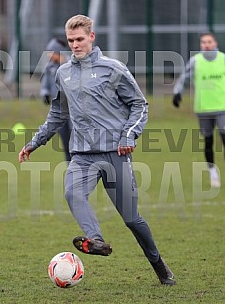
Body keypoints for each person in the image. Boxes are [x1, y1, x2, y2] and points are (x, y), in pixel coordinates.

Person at [19, 15, 176, 286]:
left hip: (116, 153)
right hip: (82, 154)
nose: (75, 45)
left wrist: (129, 136)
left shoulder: (113, 69)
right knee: (72, 192)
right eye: (70, 41)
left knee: (131, 219)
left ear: (92, 37)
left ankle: (159, 265)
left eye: (80, 39)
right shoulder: (63, 73)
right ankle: (96, 240)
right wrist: (35, 141)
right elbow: (57, 114)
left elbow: (140, 105)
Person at [173, 32, 225, 188]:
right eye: (203, 42)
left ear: (215, 42)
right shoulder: (196, 61)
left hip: (222, 107)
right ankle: (213, 173)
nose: (206, 44)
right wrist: (177, 92)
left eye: (209, 41)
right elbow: (184, 77)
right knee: (208, 141)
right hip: (203, 108)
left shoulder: (223, 59)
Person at [40, 38, 71, 162]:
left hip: (72, 110)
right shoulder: (50, 67)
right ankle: (70, 166)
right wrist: (45, 93)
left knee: (75, 140)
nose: (48, 55)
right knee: (65, 140)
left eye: (51, 51)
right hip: (59, 110)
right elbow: (46, 83)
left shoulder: (70, 66)